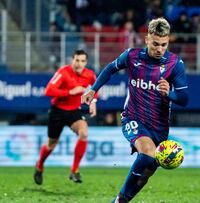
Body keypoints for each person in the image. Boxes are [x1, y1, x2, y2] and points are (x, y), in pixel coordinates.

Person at [81, 17, 189, 203]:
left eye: (163, 44)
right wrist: (93, 89)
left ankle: (121, 200)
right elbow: (110, 69)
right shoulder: (131, 56)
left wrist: (169, 94)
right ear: (147, 39)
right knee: (147, 153)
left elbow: (184, 99)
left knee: (146, 174)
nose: (159, 49)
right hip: (133, 118)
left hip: (160, 127)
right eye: (155, 43)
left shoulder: (175, 64)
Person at [34, 49, 98, 185]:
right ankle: (39, 165)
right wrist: (70, 92)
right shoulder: (63, 72)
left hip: (74, 111)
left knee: (84, 133)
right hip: (57, 111)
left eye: (82, 61)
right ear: (72, 60)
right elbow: (48, 90)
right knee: (51, 144)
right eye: (77, 60)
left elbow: (96, 88)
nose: (79, 64)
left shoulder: (89, 75)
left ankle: (74, 171)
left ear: (86, 62)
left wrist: (93, 102)